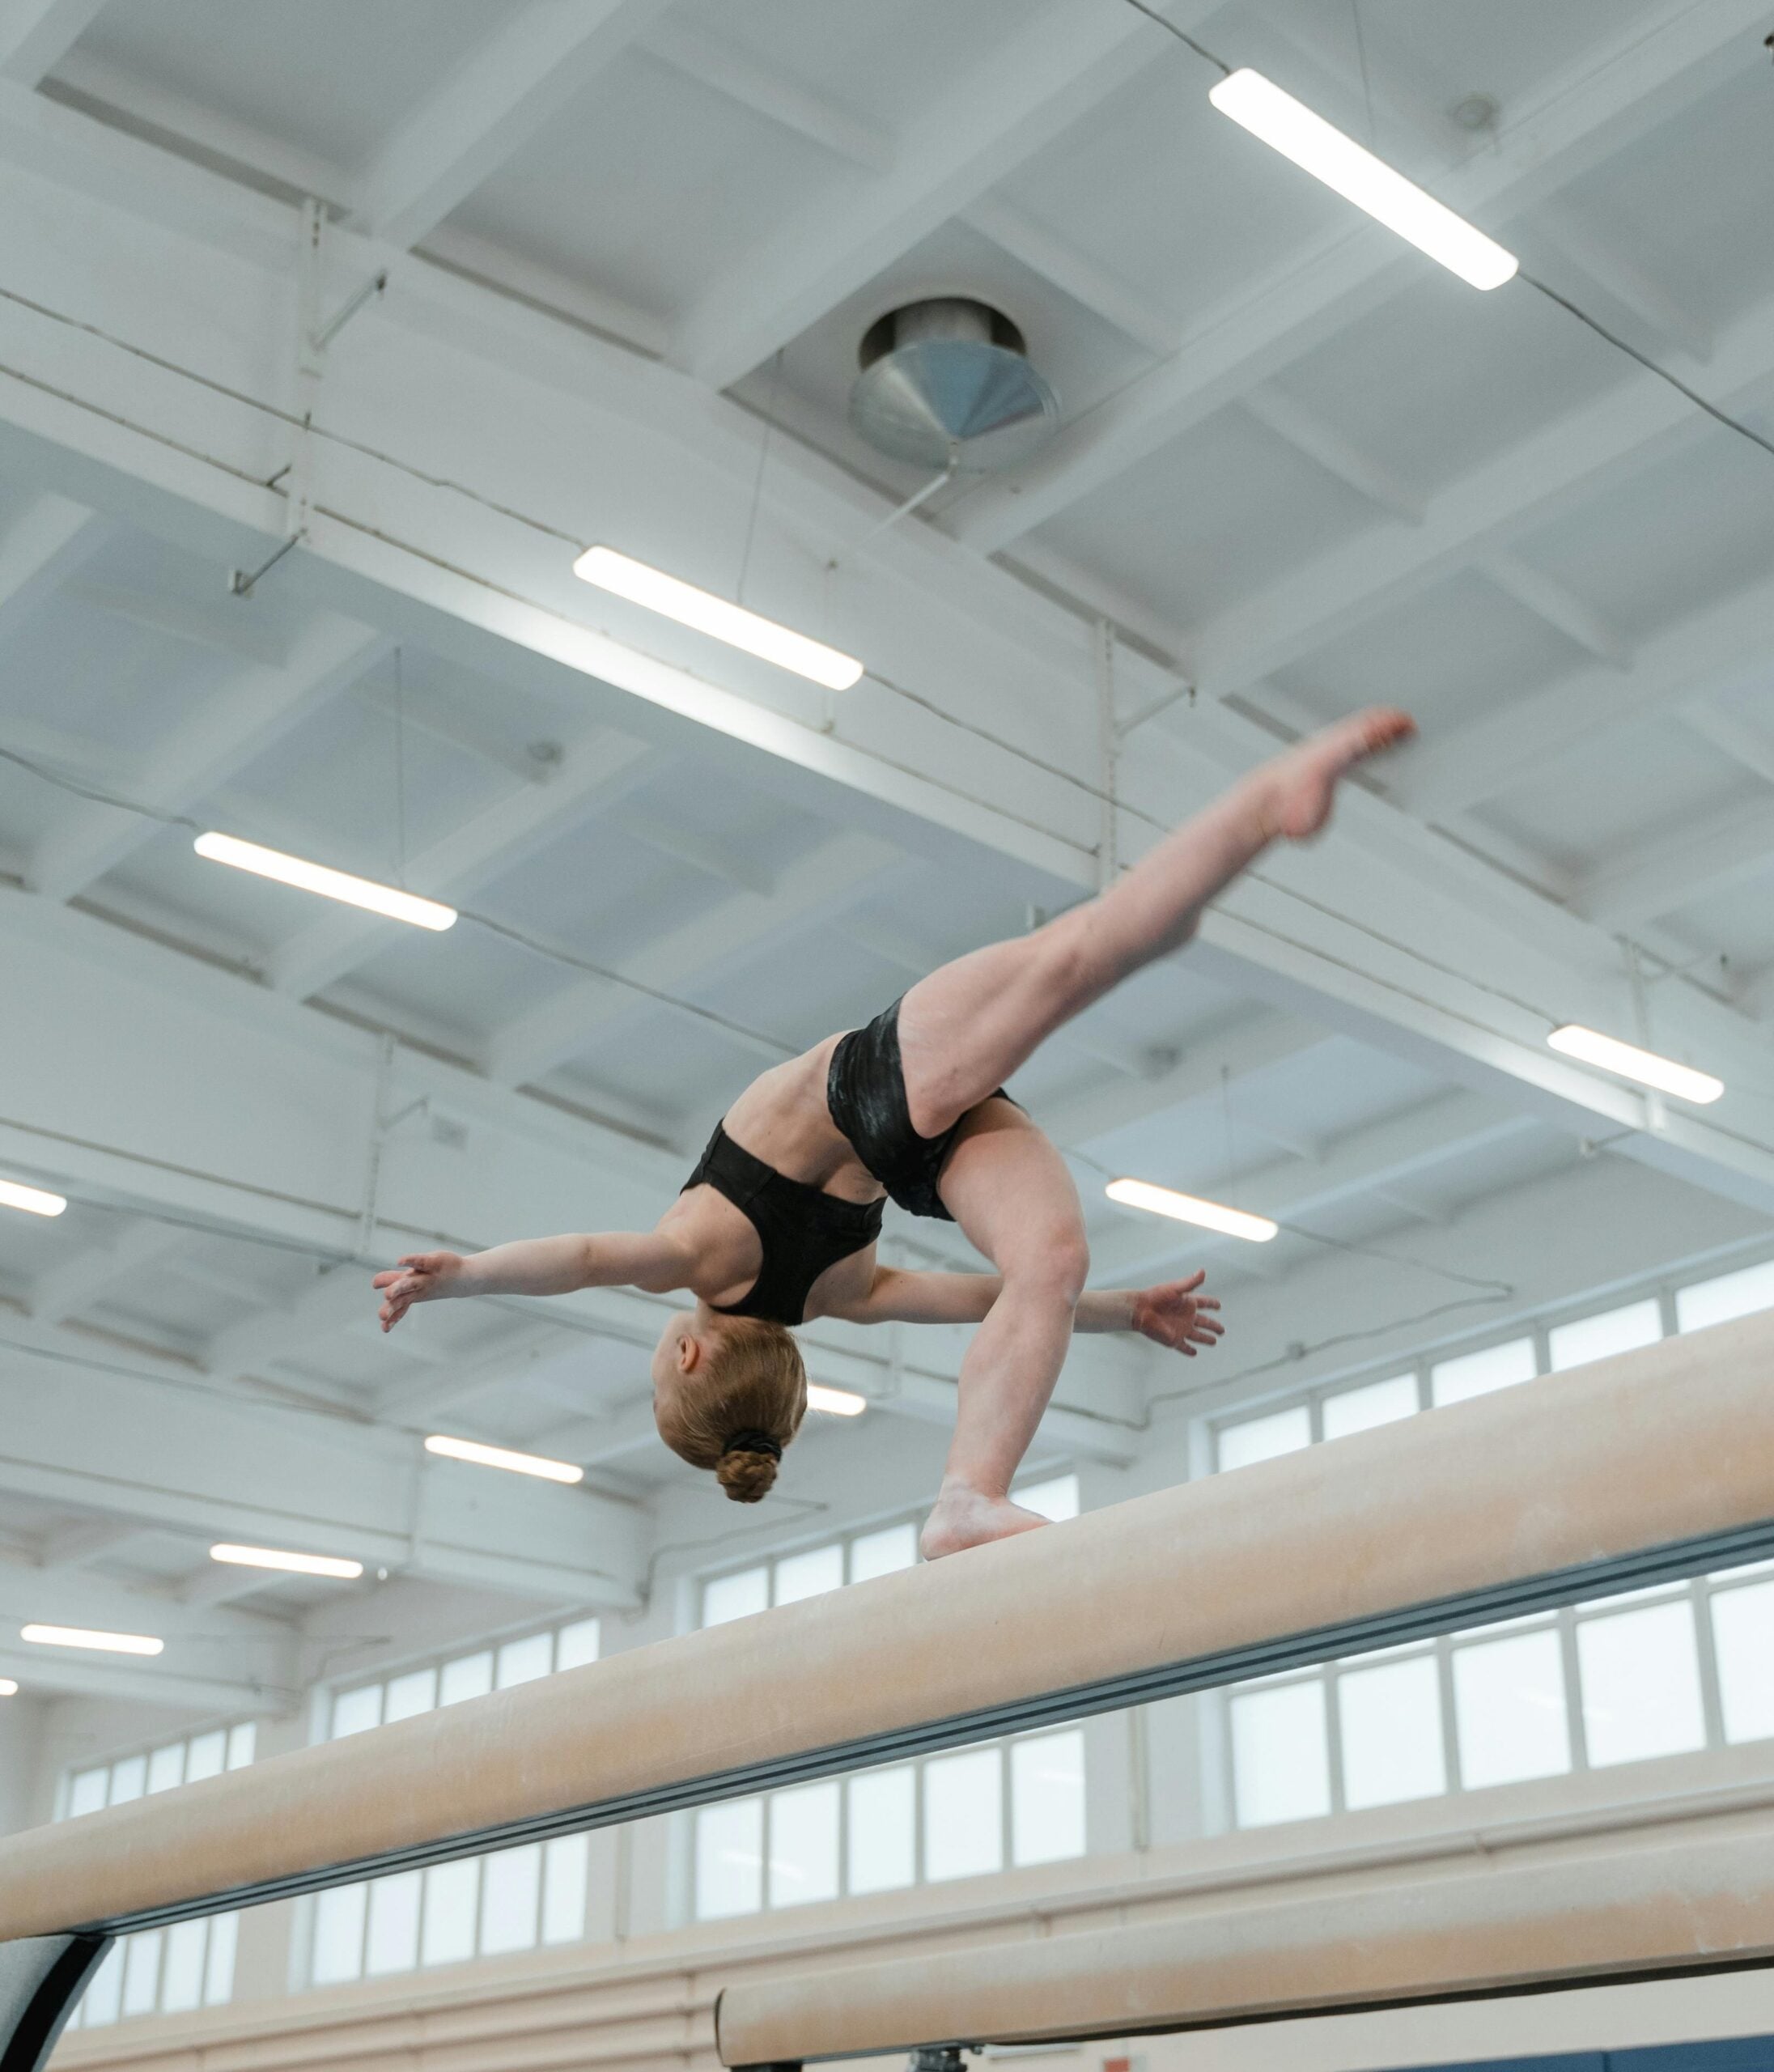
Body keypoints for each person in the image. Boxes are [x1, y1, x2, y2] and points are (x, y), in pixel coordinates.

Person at [375, 707, 1415, 1557]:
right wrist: (460, 1275)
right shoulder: (709, 1259)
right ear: (688, 1353)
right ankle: (965, 1498)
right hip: (875, 1090)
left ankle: (970, 1493)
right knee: (1080, 963)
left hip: (913, 1143)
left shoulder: (836, 1298)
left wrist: (1116, 1313)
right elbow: (588, 1259)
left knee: (1046, 1256)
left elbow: (976, 1299)